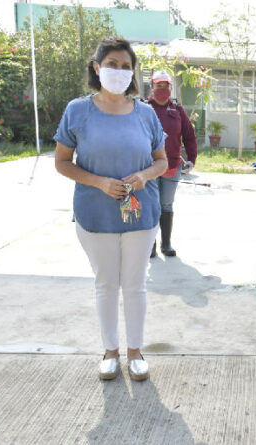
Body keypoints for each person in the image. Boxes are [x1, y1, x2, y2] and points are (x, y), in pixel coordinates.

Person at [54, 37, 168, 381]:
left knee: (135, 284)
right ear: (96, 67)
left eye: (125, 66)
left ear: (133, 72)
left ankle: (135, 352)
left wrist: (143, 176)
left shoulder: (145, 113)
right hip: (95, 214)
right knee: (106, 283)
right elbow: (62, 162)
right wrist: (99, 182)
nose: (119, 71)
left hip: (140, 213)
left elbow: (162, 162)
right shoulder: (78, 110)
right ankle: (110, 352)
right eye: (112, 64)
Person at [147, 69, 197, 257]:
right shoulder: (144, 108)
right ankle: (149, 245)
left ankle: (165, 244)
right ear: (152, 87)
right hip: (148, 167)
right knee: (151, 205)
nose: (162, 89)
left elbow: (189, 136)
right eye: (158, 85)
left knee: (166, 205)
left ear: (170, 88)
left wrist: (191, 159)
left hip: (172, 166)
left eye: (165, 86)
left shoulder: (177, 109)